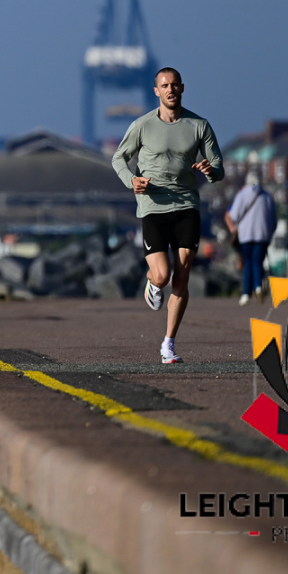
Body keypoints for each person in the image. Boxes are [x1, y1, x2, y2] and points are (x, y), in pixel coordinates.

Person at [111, 66, 224, 364]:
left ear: (182, 88)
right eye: (164, 85)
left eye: (175, 85)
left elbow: (218, 166)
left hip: (187, 205)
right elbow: (118, 157)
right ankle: (151, 283)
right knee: (162, 275)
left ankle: (168, 345)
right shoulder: (142, 125)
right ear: (156, 91)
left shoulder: (199, 125)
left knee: (182, 278)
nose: (170, 90)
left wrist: (210, 171)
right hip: (153, 206)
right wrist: (131, 180)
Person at [225, 169, 276, 305]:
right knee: (257, 262)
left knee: (247, 263)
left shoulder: (242, 194)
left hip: (246, 234)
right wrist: (270, 233)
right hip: (263, 235)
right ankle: (258, 287)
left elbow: (234, 215)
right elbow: (273, 219)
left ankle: (246, 294)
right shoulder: (267, 196)